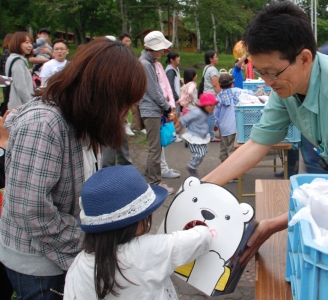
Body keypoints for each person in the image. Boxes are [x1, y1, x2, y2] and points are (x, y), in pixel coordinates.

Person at [0, 37, 147, 299]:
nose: (125, 112)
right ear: (103, 95)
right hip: (40, 267)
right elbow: (33, 213)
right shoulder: (44, 124)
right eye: (124, 103)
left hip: (67, 251)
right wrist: (96, 246)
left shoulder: (82, 118)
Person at [202, 2, 327, 266]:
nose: (266, 83)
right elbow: (257, 142)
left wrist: (274, 223)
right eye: (260, 72)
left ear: (304, 58)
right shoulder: (287, 89)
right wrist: (200, 189)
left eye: (272, 73)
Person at [64, 165, 212, 300]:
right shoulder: (148, 250)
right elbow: (202, 238)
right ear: (136, 222)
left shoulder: (79, 265)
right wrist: (199, 227)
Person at [139, 31, 175, 194]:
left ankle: (150, 178)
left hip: (151, 109)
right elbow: (154, 90)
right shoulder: (146, 64)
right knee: (155, 148)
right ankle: (154, 182)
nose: (162, 52)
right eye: (160, 48)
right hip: (150, 109)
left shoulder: (148, 62)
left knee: (155, 147)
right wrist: (167, 107)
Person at [214, 73, 254, 183]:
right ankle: (233, 174)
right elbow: (250, 93)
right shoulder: (236, 91)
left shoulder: (218, 97)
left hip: (224, 127)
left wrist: (216, 125)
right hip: (234, 126)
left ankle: (223, 171)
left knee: (224, 149)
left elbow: (216, 114)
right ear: (232, 84)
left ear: (220, 85)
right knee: (234, 150)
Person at [179, 93, 217, 177]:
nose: (212, 107)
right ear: (204, 105)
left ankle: (194, 165)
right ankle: (191, 166)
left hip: (201, 136)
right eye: (209, 105)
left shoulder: (207, 112)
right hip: (193, 136)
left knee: (204, 151)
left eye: (213, 105)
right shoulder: (197, 112)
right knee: (200, 153)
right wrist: (179, 127)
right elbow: (185, 119)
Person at [154, 59, 181, 179]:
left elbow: (166, 87)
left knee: (158, 142)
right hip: (156, 108)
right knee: (156, 143)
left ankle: (161, 168)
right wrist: (168, 106)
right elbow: (157, 91)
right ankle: (160, 170)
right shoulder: (148, 65)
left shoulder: (158, 65)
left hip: (161, 107)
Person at [5, 31, 34, 109]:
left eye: (31, 43)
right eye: (26, 42)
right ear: (17, 43)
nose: (30, 46)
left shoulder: (11, 58)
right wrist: (31, 103)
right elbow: (21, 86)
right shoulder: (18, 61)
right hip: (20, 105)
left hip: (14, 102)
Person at [203, 50, 221, 142]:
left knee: (208, 116)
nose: (217, 58)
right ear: (211, 59)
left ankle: (208, 134)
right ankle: (211, 135)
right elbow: (215, 84)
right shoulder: (213, 69)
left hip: (206, 94)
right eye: (215, 57)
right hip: (211, 95)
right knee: (211, 116)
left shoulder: (206, 68)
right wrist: (221, 94)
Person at [0, 33, 13, 115]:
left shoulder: (5, 52)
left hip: (3, 77)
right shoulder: (8, 53)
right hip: (6, 78)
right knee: (8, 97)